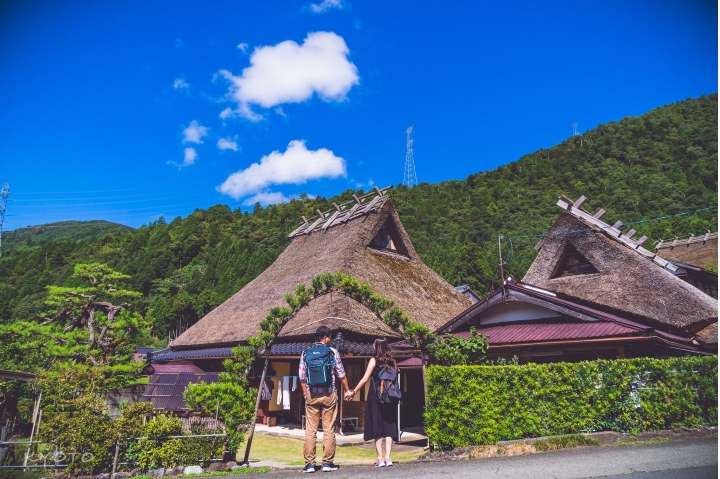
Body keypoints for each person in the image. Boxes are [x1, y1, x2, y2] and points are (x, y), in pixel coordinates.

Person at [299, 326, 350, 473]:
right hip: (328, 395)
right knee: (328, 429)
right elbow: (341, 373)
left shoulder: (305, 353)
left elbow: (302, 377)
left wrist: (305, 394)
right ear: (326, 337)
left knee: (310, 430)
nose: (331, 340)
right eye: (330, 337)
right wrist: (347, 390)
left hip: (311, 395)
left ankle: (309, 464)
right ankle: (327, 463)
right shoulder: (332, 352)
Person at [344, 338, 398, 467]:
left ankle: (379, 459)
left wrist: (354, 391)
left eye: (374, 345)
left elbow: (365, 378)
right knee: (389, 426)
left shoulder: (374, 360)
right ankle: (388, 458)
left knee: (377, 424)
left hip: (376, 396)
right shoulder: (393, 361)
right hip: (390, 397)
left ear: (377, 347)